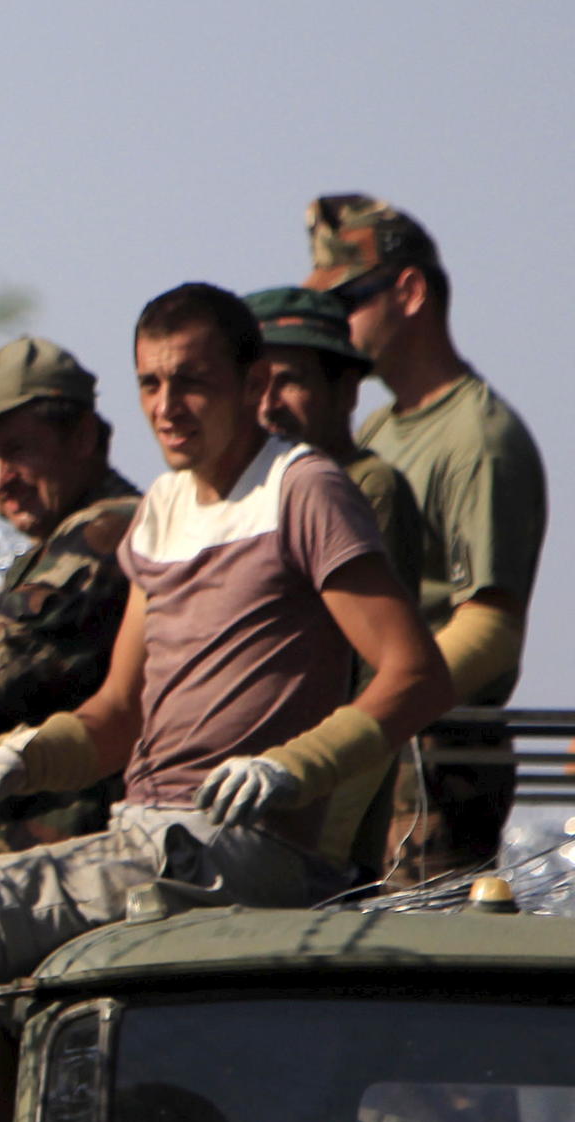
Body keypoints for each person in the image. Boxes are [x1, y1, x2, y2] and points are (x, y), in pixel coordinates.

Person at [0, 284, 451, 1122]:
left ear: (254, 381)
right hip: (149, 835)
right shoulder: (163, 511)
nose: (168, 408)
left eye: (192, 381)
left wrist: (296, 764)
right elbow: (116, 714)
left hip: (245, 849)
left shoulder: (302, 488)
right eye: (150, 384)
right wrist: (23, 759)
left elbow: (416, 673)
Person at [307, 194, 549, 886]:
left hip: (435, 762)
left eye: (348, 299)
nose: (333, 325)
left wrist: (377, 710)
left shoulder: (478, 436)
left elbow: (492, 627)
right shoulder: (379, 432)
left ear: (408, 292)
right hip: (370, 745)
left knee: (405, 970)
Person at [0, 338, 139, 864]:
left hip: (69, 853)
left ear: (84, 437)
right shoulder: (64, 540)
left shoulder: (107, 533)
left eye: (17, 450)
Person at [244, 283, 429, 871]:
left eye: (291, 381)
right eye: (257, 383)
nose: (269, 404)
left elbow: (381, 680)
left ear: (346, 389)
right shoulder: (249, 490)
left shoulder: (360, 486)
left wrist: (326, 838)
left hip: (308, 828)